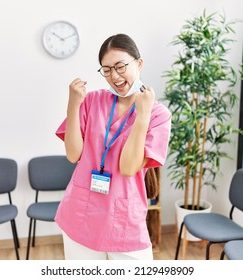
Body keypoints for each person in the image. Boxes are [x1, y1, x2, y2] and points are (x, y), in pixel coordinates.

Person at [55, 33, 171, 260]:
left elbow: (129, 168)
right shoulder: (92, 100)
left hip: (123, 220)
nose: (114, 76)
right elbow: (72, 154)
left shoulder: (158, 115)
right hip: (80, 213)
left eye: (120, 66)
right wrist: (73, 104)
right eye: (106, 70)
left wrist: (142, 115)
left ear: (139, 63)